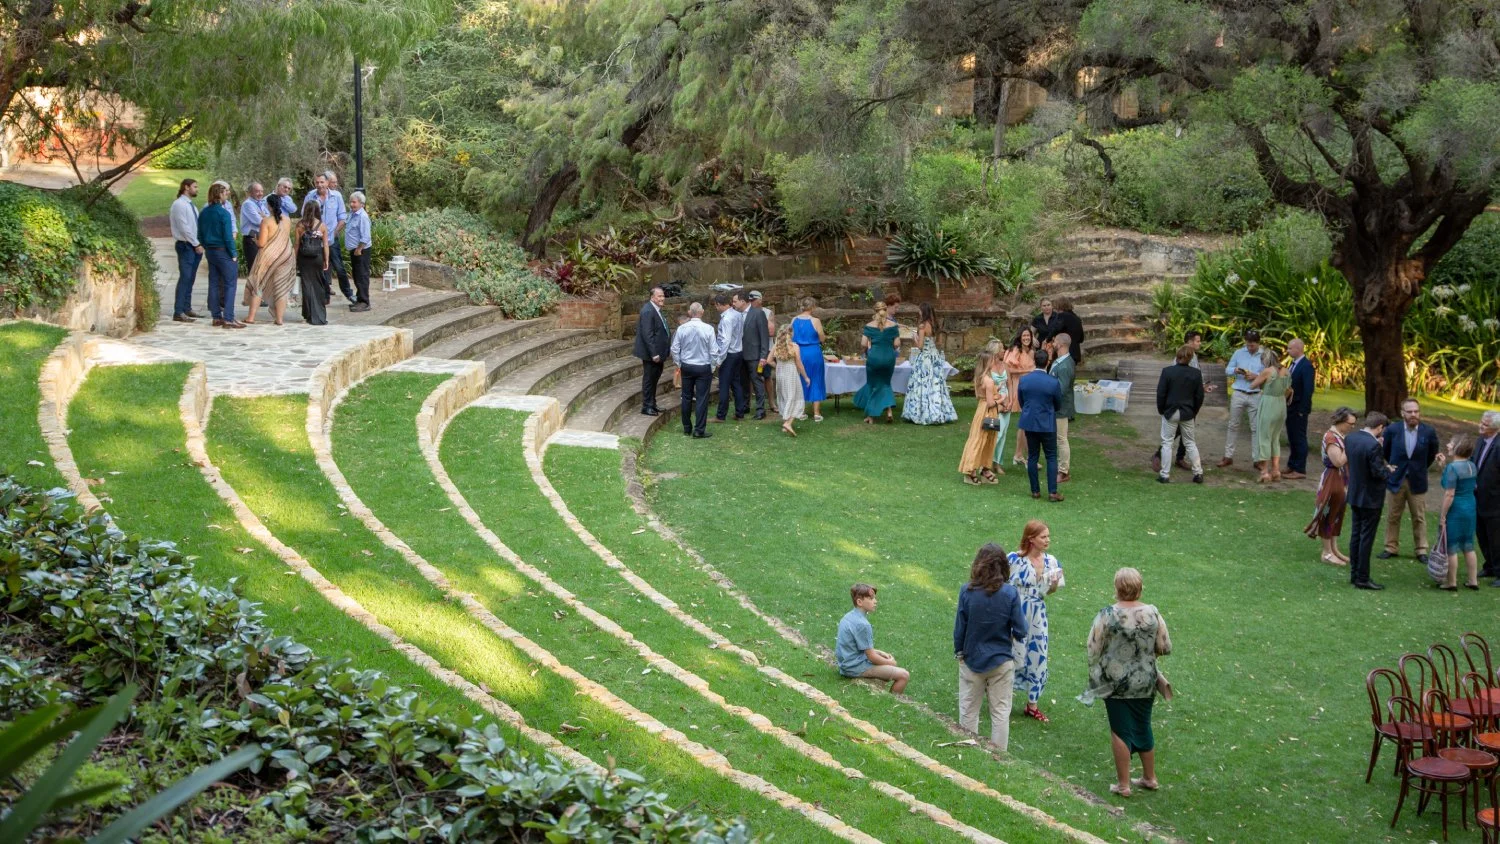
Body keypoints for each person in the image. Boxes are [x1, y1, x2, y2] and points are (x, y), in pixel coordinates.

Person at [1082, 567, 1172, 798]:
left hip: (1116, 682)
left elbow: (1093, 648)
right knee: (1143, 724)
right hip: (1146, 680)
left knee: (1120, 730)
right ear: (1140, 588)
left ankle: (1124, 785)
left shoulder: (1106, 615)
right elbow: (1165, 647)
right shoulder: (1153, 614)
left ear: (1117, 588)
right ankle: (1149, 777)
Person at [953, 543, 1028, 751]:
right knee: (1000, 713)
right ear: (1003, 566)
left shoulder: (966, 592)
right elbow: (1021, 629)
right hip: (1001, 660)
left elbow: (960, 627)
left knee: (968, 711)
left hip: (971, 659)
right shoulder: (1010, 594)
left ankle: (968, 751)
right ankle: (997, 757)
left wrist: (959, 652)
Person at [1008, 520, 1063, 723]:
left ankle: (1032, 704)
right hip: (1016, 610)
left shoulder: (1051, 561)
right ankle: (1000, 693)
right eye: (1043, 537)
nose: (1047, 540)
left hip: (1037, 613)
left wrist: (1054, 585)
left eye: (1048, 536)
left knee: (1038, 653)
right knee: (1012, 650)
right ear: (1031, 539)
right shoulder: (1013, 559)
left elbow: (1049, 591)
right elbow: (1001, 583)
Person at [1379, 399, 1444, 565]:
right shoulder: (1392, 430)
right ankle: (1390, 547)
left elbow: (1432, 454)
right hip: (1396, 479)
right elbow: (1385, 451)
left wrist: (1420, 469)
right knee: (1393, 515)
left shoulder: (1428, 432)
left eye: (1416, 411)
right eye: (1410, 412)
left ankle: (1421, 550)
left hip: (1418, 480)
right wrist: (1394, 467)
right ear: (1403, 413)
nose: (1414, 414)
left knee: (1419, 517)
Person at [1153, 331, 1216, 473]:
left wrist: (1202, 387)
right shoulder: (1183, 359)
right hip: (1184, 404)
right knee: (1180, 436)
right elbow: (1178, 383)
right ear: (1190, 341)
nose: (1200, 344)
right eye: (1198, 341)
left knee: (1181, 434)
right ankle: (1164, 456)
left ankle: (1172, 464)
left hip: (1186, 403)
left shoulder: (1192, 357)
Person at [1346, 412, 1394, 590]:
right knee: (1366, 538)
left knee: (1356, 535)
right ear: (1380, 427)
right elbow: (1378, 473)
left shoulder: (1351, 438)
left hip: (1355, 493)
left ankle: (1355, 573)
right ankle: (1363, 577)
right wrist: (1388, 470)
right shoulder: (1373, 445)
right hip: (1370, 498)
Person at [1304, 407, 1358, 565]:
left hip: (1342, 479)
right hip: (1332, 479)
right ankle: (1326, 553)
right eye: (1351, 424)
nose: (1352, 427)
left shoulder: (1341, 436)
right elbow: (1338, 461)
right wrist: (1351, 447)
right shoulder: (1331, 438)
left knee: (1338, 514)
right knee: (1329, 513)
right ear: (1341, 421)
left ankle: (1334, 549)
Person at [835, 584, 909, 693]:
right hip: (854, 668)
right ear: (860, 602)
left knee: (888, 664)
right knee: (904, 675)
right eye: (871, 598)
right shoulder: (863, 625)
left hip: (846, 663)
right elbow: (871, 657)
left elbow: (861, 648)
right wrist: (891, 663)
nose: (875, 601)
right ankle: (893, 700)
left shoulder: (848, 616)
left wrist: (880, 652)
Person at [243, 188, 296, 325]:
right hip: (285, 256)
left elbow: (261, 243)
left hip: (268, 257)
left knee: (258, 285)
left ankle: (251, 317)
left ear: (269, 206)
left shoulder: (266, 221)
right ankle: (279, 319)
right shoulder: (287, 220)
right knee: (281, 288)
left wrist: (255, 239)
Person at [1154, 344, 1205, 484]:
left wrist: (1161, 410)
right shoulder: (1196, 373)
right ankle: (1198, 473)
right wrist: (1194, 411)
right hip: (1187, 412)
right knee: (1190, 442)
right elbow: (1199, 396)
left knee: (1167, 442)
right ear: (1190, 358)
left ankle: (1165, 474)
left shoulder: (1167, 372)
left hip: (1170, 411)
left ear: (1177, 357)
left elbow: (1161, 393)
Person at [1018, 349, 1063, 502]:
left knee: (1032, 456)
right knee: (1051, 456)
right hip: (1047, 423)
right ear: (1048, 362)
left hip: (1030, 422)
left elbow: (1021, 401)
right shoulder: (1053, 382)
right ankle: (1052, 492)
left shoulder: (1024, 380)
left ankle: (1035, 491)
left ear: (1034, 361)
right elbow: (1058, 403)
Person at [902, 302, 957, 425]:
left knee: (922, 383)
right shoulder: (935, 326)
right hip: (935, 357)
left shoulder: (922, 326)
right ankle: (937, 411)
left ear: (924, 312)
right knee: (935, 384)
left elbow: (920, 346)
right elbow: (939, 343)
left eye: (920, 311)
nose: (919, 312)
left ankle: (921, 412)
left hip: (925, 358)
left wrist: (914, 339)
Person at [1438, 435, 1480, 591]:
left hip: (1456, 509)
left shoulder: (1453, 468)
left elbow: (1449, 493)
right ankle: (1473, 580)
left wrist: (1443, 515)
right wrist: (1443, 466)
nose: (1448, 445)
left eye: (1451, 443)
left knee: (1451, 546)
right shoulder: (1472, 466)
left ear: (1457, 448)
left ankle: (1451, 582)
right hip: (1470, 507)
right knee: (1468, 545)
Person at [303, 172, 352, 305]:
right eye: (317, 182)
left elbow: (342, 217)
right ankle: (325, 296)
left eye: (322, 182)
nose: (319, 185)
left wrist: (335, 232)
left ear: (327, 183)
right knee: (321, 269)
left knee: (339, 268)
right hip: (316, 241)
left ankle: (349, 294)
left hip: (331, 239)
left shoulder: (336, 196)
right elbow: (304, 215)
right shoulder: (310, 196)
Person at [198, 182, 242, 329]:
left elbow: (200, 234)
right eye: (225, 193)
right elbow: (228, 236)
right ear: (220, 195)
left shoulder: (204, 212)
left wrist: (205, 245)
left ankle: (216, 316)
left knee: (214, 283)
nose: (227, 195)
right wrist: (233, 253)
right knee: (230, 283)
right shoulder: (224, 213)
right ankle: (229, 317)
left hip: (210, 251)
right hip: (223, 250)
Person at [1219, 329, 1266, 468]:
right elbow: (1227, 370)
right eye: (1248, 343)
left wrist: (1256, 376)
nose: (1250, 346)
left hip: (1256, 393)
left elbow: (1270, 373)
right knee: (1233, 425)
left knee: (1256, 428)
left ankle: (1257, 459)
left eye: (1252, 344)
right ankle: (1228, 456)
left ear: (1258, 343)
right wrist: (1236, 370)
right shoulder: (1239, 352)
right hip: (1239, 391)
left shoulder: (1265, 355)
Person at [671, 302, 716, 439]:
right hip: (703, 366)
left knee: (686, 397)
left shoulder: (682, 328)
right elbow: (713, 351)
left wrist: (679, 363)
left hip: (687, 365)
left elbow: (674, 348)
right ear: (701, 312)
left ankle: (687, 427)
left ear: (690, 313)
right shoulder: (708, 329)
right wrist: (712, 367)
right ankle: (699, 430)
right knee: (702, 398)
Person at [853, 296, 900, 424]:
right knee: (885, 384)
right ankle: (889, 411)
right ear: (885, 310)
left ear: (875, 312)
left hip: (874, 358)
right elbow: (897, 344)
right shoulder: (893, 326)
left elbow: (863, 344)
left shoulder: (869, 326)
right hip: (889, 358)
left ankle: (871, 416)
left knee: (873, 385)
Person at [959, 351, 1002, 485]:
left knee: (986, 439)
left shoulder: (981, 377)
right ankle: (970, 470)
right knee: (980, 439)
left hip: (982, 410)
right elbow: (990, 403)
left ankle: (984, 468)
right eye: (992, 360)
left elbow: (982, 396)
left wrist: (996, 390)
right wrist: (1002, 399)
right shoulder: (988, 380)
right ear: (987, 362)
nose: (994, 361)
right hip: (987, 411)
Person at [1251, 349, 1292, 483]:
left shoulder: (1268, 371)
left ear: (1265, 360)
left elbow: (1253, 385)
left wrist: (1255, 378)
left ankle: (1264, 471)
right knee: (1275, 438)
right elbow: (1288, 389)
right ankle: (1276, 470)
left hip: (1268, 404)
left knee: (1264, 437)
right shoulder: (1286, 371)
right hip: (1280, 404)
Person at [168, 178, 203, 323]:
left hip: (193, 245)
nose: (197, 189)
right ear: (186, 187)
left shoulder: (191, 205)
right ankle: (178, 311)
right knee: (185, 277)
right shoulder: (179, 205)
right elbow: (184, 228)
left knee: (191, 278)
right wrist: (196, 244)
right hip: (186, 245)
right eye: (195, 187)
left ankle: (187, 307)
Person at [633, 286, 672, 416]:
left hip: (659, 353)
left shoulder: (656, 310)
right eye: (659, 296)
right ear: (652, 297)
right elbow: (647, 334)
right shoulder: (648, 311)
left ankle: (652, 404)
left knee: (654, 379)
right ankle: (647, 406)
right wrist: (654, 353)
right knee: (649, 379)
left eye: (663, 296)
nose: (662, 298)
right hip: (651, 354)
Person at [1003, 328, 1039, 465]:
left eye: (1028, 335)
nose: (1026, 338)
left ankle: (1021, 455)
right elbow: (1008, 370)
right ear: (1020, 337)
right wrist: (1028, 370)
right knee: (1026, 423)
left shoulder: (1031, 351)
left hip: (1031, 387)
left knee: (1027, 423)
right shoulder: (1015, 351)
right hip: (1019, 386)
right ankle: (1023, 456)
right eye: (1024, 335)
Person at [712, 293, 748, 421]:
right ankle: (740, 412)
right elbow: (741, 333)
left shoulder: (727, 319)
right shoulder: (738, 314)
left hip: (729, 354)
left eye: (716, 306)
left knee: (724, 385)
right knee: (736, 383)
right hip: (738, 352)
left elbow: (726, 340)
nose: (716, 308)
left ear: (719, 304)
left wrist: (720, 359)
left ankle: (721, 415)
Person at [295, 200, 331, 326]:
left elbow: (297, 245)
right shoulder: (322, 225)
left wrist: (295, 260)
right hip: (317, 258)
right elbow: (325, 244)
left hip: (304, 259)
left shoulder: (300, 225)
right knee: (318, 286)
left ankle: (308, 314)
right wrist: (326, 260)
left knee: (306, 286)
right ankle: (319, 315)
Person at [771, 325, 811, 437]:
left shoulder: (776, 346)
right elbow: (799, 363)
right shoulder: (794, 346)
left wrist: (778, 366)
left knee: (785, 396)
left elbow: (769, 360)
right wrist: (806, 377)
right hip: (791, 374)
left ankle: (786, 422)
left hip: (780, 374)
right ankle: (788, 423)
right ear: (791, 334)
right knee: (796, 397)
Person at [791, 297, 827, 422]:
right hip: (813, 352)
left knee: (800, 379)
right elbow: (822, 338)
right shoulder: (815, 321)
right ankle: (816, 413)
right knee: (816, 378)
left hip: (798, 352)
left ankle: (801, 411)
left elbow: (790, 337)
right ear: (812, 307)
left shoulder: (794, 320)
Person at [1284, 339, 1315, 479]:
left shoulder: (1306, 366)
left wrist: (1303, 409)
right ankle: (1292, 464)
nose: (1288, 351)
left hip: (1299, 407)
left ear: (1298, 349)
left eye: (1290, 348)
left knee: (1299, 437)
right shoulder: (1293, 364)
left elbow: (1308, 389)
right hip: (1290, 406)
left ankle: (1300, 468)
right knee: (1292, 436)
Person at [1476, 412, 1500, 585]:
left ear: (1496, 429)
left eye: (1485, 425)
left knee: (1496, 537)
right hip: (1478, 497)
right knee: (1482, 534)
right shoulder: (1480, 440)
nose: (1481, 426)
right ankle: (1489, 566)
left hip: (1495, 500)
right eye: (1481, 423)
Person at [741, 291, 772, 420]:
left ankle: (760, 409)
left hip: (755, 354)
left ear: (743, 301)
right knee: (744, 382)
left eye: (735, 301)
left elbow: (764, 335)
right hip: (741, 353)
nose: (733, 304)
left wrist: (763, 356)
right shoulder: (738, 315)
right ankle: (745, 405)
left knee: (757, 381)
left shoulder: (758, 313)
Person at [1050, 334, 1077, 482]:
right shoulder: (1061, 361)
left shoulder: (1065, 365)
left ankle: (1063, 471)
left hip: (1060, 408)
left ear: (1060, 344)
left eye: (1054, 341)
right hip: (1056, 407)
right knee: (1057, 438)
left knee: (1061, 438)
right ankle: (1059, 468)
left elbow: (1061, 389)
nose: (1053, 343)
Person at [344, 191, 373, 313]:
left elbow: (365, 236)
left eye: (354, 202)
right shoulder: (352, 214)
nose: (352, 204)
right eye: (351, 202)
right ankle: (360, 298)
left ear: (361, 204)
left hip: (361, 251)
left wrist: (359, 249)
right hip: (354, 250)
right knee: (357, 276)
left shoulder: (362, 216)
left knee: (362, 276)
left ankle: (365, 302)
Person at [238, 182, 268, 271]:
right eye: (257, 191)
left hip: (261, 238)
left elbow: (270, 219)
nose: (260, 194)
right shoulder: (248, 204)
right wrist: (265, 217)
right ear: (250, 192)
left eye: (261, 191)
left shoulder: (261, 203)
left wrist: (265, 217)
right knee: (254, 269)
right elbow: (259, 221)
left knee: (262, 269)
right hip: (252, 238)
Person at [1053, 297, 1085, 366]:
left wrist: (1047, 339)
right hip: (1075, 352)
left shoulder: (1062, 315)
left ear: (1060, 306)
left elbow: (1055, 330)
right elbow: (1081, 338)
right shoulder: (1077, 318)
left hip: (1065, 352)